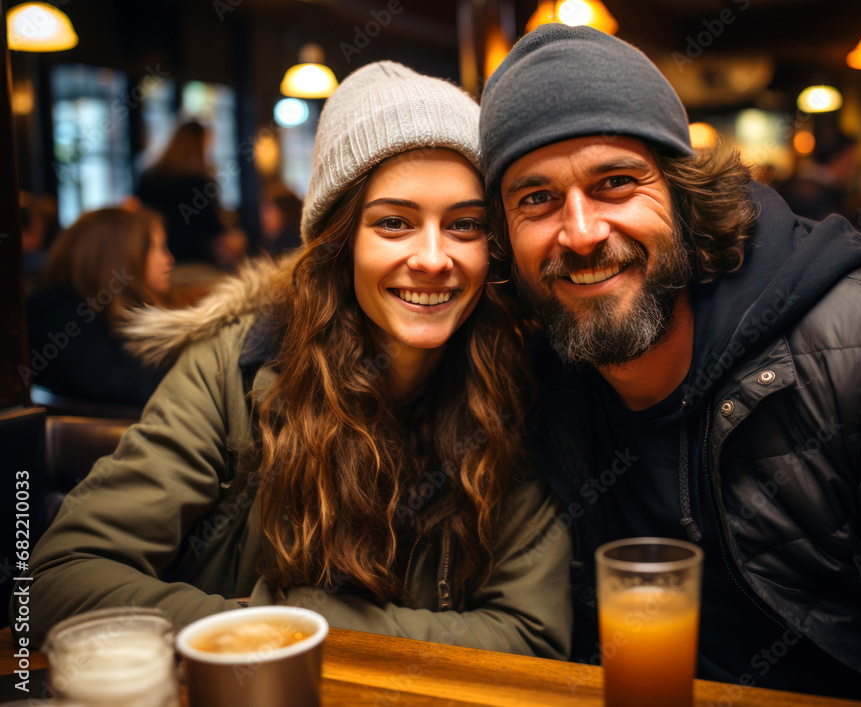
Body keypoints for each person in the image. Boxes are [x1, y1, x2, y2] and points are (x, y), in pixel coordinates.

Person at [479, 24, 861, 706]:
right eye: (536, 199)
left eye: (615, 182)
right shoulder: (532, 381)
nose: (581, 233)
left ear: (686, 199)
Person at [17, 61, 571, 661]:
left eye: (464, 225)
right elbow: (58, 578)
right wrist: (271, 632)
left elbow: (530, 637)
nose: (434, 258)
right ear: (338, 242)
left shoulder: (515, 384)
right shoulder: (233, 369)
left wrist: (308, 621)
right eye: (394, 223)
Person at [25, 207, 174, 409]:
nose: (169, 260)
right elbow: (133, 385)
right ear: (123, 253)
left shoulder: (112, 309)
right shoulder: (56, 310)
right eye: (160, 247)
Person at [136, 120, 227, 265]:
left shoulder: (149, 177)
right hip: (195, 259)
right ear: (200, 144)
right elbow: (213, 225)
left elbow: (141, 215)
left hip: (156, 258)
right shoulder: (200, 182)